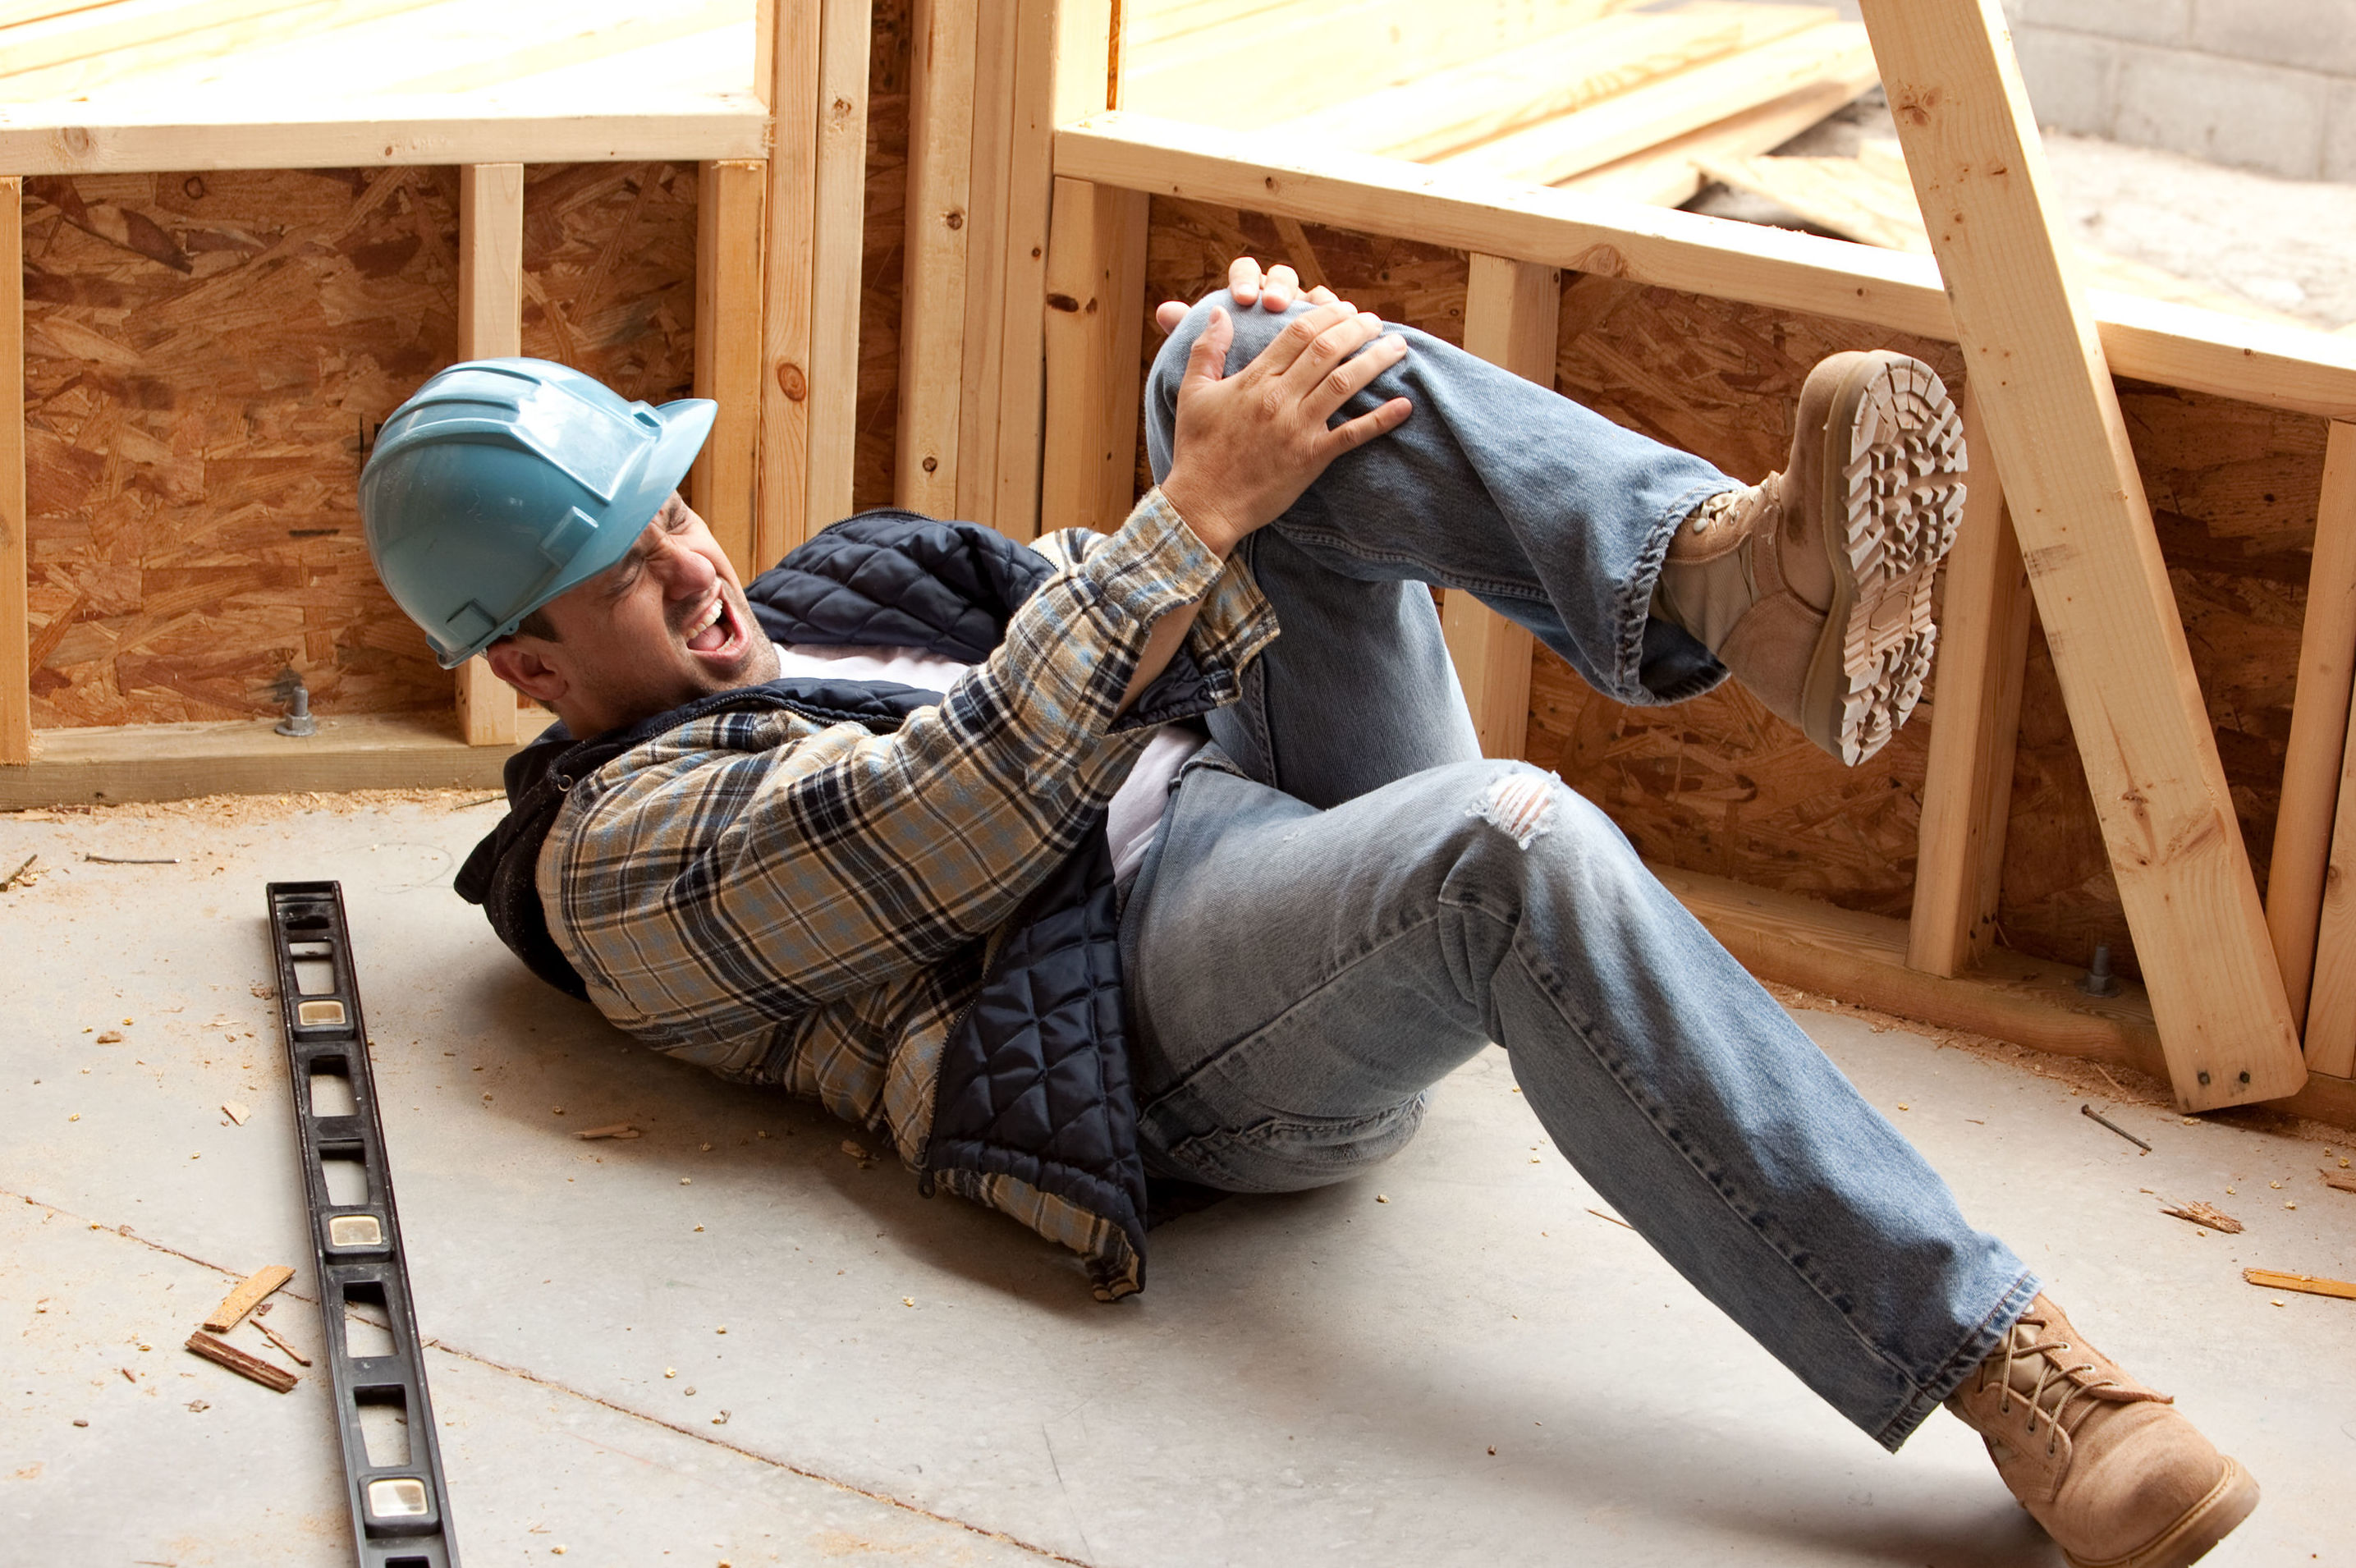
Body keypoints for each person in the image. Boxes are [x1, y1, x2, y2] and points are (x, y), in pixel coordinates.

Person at [361, 259, 2257, 1567]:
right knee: (1503, 842)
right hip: (1159, 1006)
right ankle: (2013, 1375)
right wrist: (1199, 507)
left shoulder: (828, 587)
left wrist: (1245, 409)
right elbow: (947, 820)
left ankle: (1732, 584)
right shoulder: (620, 862)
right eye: (618, 574)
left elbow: (1109, 598)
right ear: (525, 666)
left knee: (1252, 357)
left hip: (1243, 783)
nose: (690, 560)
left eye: (667, 507)